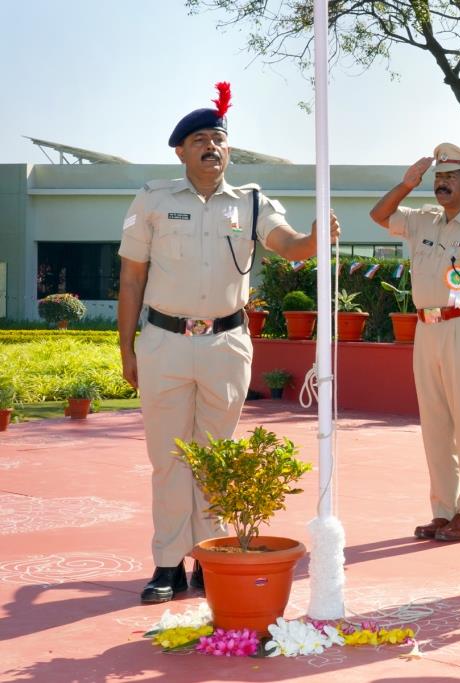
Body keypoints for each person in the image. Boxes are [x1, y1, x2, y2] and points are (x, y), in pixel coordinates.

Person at [117, 82, 339, 604]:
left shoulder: (253, 201)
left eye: (218, 138)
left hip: (226, 342)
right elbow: (130, 278)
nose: (210, 146)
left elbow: (286, 244)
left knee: (213, 454)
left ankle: (207, 554)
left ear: (228, 149)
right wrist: (126, 349)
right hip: (164, 342)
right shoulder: (152, 199)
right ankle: (168, 563)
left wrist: (312, 241)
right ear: (180, 150)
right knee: (170, 456)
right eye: (199, 139)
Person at [369, 143, 460, 542]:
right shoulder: (423, 220)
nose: (441, 184)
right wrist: (406, 183)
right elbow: (379, 215)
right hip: (426, 329)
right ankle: (444, 509)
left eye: (450, 177)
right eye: (438, 178)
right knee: (435, 426)